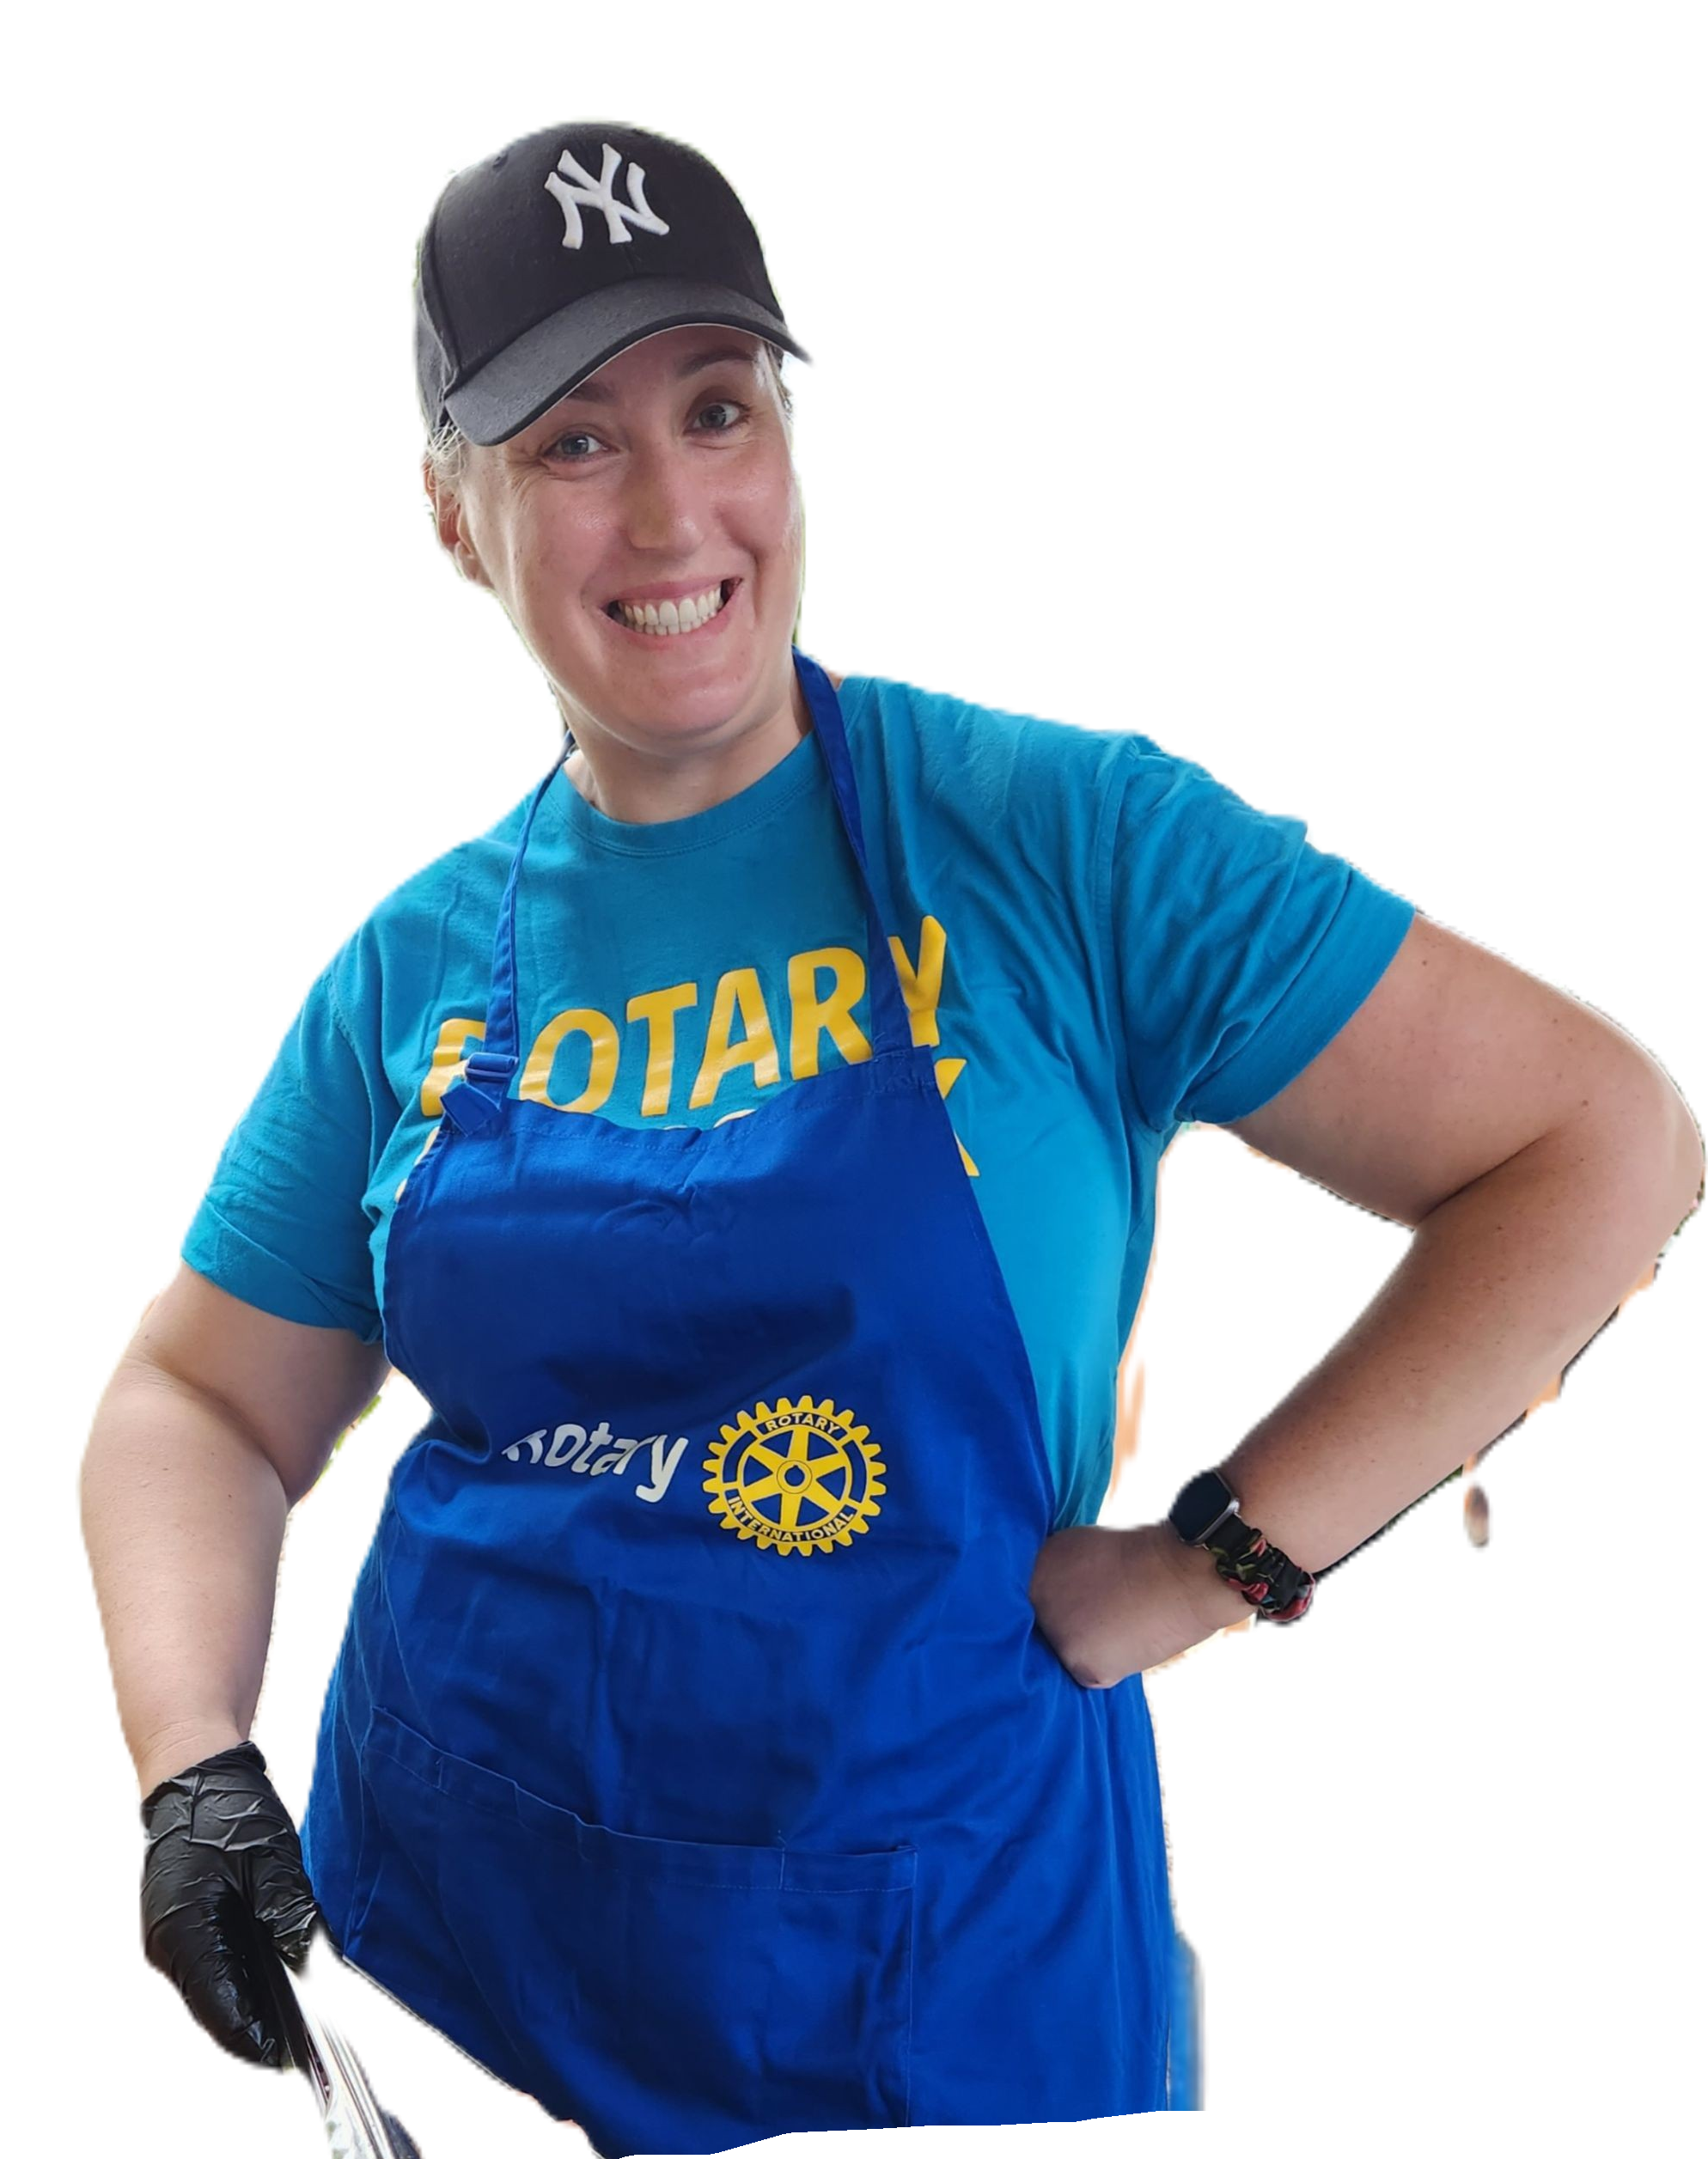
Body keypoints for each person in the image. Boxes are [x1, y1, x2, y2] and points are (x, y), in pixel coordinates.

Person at [85, 118, 1693, 2152]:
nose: (674, 511)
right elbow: (195, 1396)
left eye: (718, 406)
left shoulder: (1062, 840)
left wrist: (1217, 1557)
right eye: (572, 443)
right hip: (459, 1963)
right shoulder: (418, 961)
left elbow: (1586, 1137)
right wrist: (194, 1766)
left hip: (942, 1986)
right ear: (450, 515)